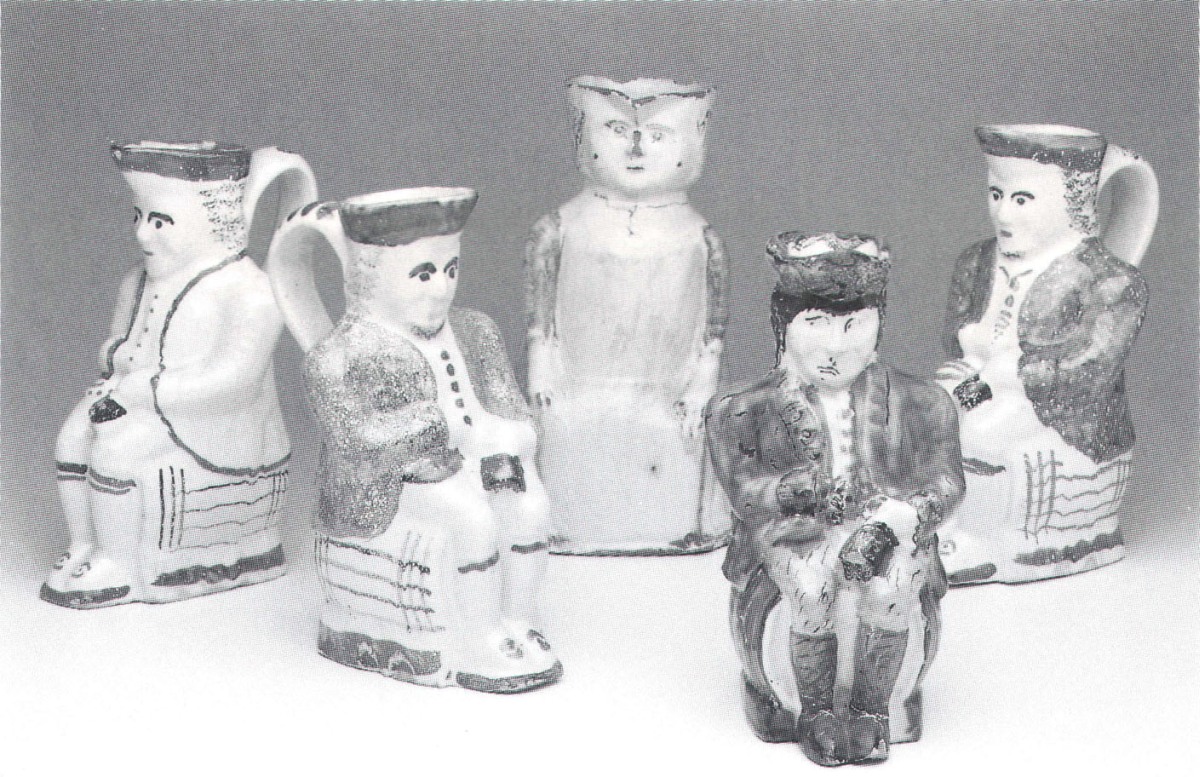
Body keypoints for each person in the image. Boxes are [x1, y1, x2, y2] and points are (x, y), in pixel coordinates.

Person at [707, 233, 964, 766]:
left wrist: (902, 516)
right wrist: (791, 491)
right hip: (794, 533)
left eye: (853, 325)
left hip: (888, 527)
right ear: (783, 325)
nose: (835, 346)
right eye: (816, 324)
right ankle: (817, 712)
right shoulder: (741, 408)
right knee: (810, 589)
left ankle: (872, 711)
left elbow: (946, 482)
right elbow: (743, 490)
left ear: (878, 324)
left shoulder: (923, 402)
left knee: (892, 588)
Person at [295, 189, 561, 692]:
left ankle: (520, 622)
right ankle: (477, 636)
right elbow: (356, 440)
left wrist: (509, 437)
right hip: (388, 487)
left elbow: (512, 407)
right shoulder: (338, 355)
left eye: (450, 270)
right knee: (472, 518)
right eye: (422, 274)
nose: (442, 288)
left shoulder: (476, 331)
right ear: (369, 277)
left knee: (531, 508)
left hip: (474, 464)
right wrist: (430, 429)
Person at [45, 142, 309, 608]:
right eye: (138, 216)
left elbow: (233, 383)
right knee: (71, 438)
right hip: (143, 400)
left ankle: (121, 563)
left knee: (117, 452)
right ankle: (84, 546)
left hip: (218, 427)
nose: (142, 233)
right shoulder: (138, 281)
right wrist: (117, 363)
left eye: (160, 221)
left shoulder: (250, 292)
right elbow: (117, 345)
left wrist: (144, 390)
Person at [936, 126, 1150, 584]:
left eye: (1022, 199)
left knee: (979, 434)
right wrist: (967, 361)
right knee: (925, 411)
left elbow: (1085, 372)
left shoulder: (1111, 281)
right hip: (980, 383)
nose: (1002, 212)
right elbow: (956, 333)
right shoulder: (976, 261)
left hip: (1062, 414)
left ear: (1074, 203)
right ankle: (942, 526)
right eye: (996, 194)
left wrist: (1005, 374)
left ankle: (988, 543)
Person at [526, 76, 730, 555]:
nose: (636, 149)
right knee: (568, 439)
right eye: (617, 131)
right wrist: (542, 363)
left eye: (658, 136)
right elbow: (540, 314)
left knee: (677, 447)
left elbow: (713, 326)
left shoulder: (699, 237)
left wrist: (703, 380)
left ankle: (676, 529)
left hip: (667, 389)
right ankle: (569, 528)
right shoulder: (560, 227)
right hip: (580, 384)